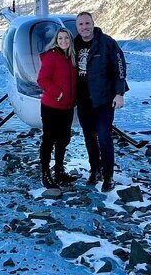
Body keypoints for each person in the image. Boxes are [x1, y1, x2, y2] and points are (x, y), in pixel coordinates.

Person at [74, 11, 128, 192]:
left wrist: (119, 93)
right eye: (81, 24)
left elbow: (119, 67)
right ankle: (95, 169)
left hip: (103, 99)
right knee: (89, 137)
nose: (84, 27)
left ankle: (108, 176)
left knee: (104, 137)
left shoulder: (106, 42)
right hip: (83, 100)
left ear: (93, 23)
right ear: (77, 27)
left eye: (87, 23)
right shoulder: (74, 44)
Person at [36, 27, 78, 189]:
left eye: (66, 38)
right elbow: (42, 80)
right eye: (60, 39)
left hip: (67, 108)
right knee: (49, 140)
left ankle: (59, 171)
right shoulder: (51, 57)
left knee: (63, 140)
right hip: (51, 107)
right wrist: (58, 93)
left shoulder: (71, 58)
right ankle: (45, 173)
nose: (63, 41)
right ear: (56, 40)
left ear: (70, 40)